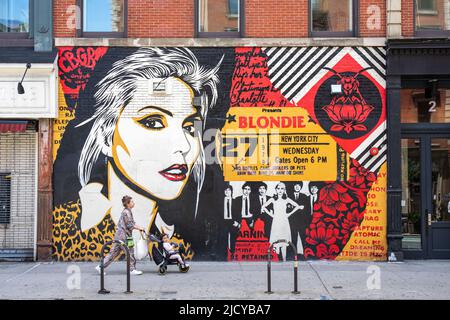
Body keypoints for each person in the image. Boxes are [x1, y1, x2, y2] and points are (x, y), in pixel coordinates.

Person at [53, 47, 223, 260]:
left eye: (189, 127)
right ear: (106, 137)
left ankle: (129, 266)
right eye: (153, 122)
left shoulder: (179, 243)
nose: (184, 145)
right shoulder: (70, 226)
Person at [96, 196, 146, 275]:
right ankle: (132, 270)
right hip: (124, 236)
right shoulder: (126, 212)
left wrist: (139, 227)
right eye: (132, 202)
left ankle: (100, 267)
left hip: (120, 236)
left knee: (114, 252)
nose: (133, 203)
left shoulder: (127, 211)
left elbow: (131, 223)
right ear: (128, 204)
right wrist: (140, 228)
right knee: (130, 252)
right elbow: (130, 225)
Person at [261, 182, 302, 261]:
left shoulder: (286, 199)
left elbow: (297, 206)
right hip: (276, 221)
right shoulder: (273, 199)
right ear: (276, 190)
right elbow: (263, 206)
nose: (280, 190)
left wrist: (288, 214)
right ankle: (277, 260)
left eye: (282, 189)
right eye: (278, 188)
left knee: (284, 243)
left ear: (284, 190)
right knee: (276, 243)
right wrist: (271, 215)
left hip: (284, 221)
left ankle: (284, 260)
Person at [288, 182, 309, 255]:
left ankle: (305, 253)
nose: (297, 187)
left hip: (302, 222)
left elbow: (307, 210)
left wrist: (306, 223)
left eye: (299, 186)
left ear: (301, 187)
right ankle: (294, 254)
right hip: (292, 221)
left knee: (303, 237)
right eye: (295, 185)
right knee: (293, 238)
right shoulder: (289, 196)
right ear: (293, 186)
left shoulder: (304, 196)